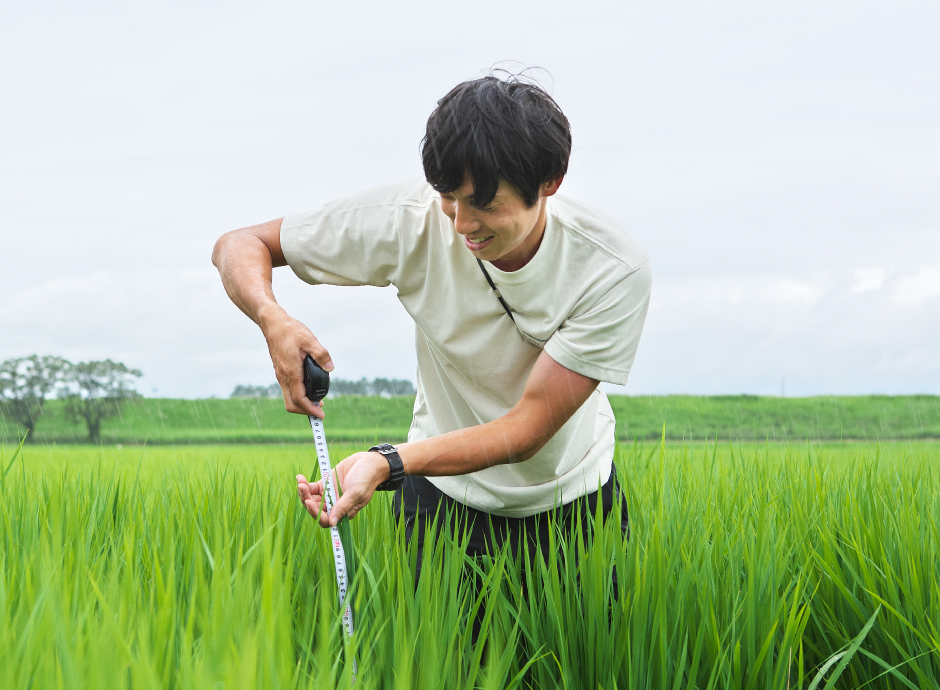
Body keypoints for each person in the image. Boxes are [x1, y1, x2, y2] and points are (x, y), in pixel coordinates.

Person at [211, 73, 651, 573]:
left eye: (484, 203)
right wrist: (273, 319)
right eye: (449, 195)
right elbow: (239, 245)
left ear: (550, 183)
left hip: (574, 500)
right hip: (440, 499)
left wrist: (388, 461)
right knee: (431, 651)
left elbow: (527, 429)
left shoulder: (611, 269)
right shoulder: (409, 218)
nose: (461, 224)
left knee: (588, 651)